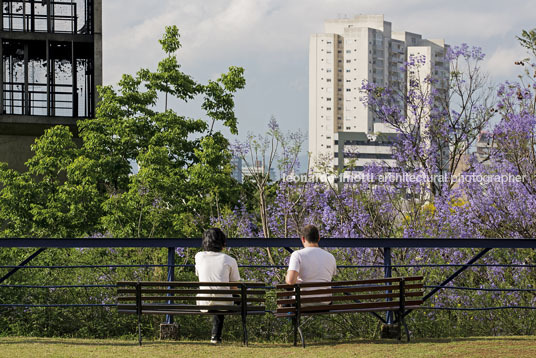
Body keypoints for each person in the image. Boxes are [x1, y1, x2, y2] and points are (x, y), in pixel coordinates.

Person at [195, 228, 240, 344]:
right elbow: (234, 287)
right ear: (222, 243)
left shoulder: (198, 256)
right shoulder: (230, 260)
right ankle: (216, 337)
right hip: (224, 303)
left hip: (203, 303)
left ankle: (215, 336)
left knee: (214, 295)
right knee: (223, 297)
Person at [285, 225, 337, 305]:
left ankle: (291, 317)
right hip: (325, 303)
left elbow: (290, 281)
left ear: (303, 239)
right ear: (319, 238)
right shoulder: (330, 256)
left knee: (287, 296)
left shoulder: (297, 255)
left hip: (302, 303)